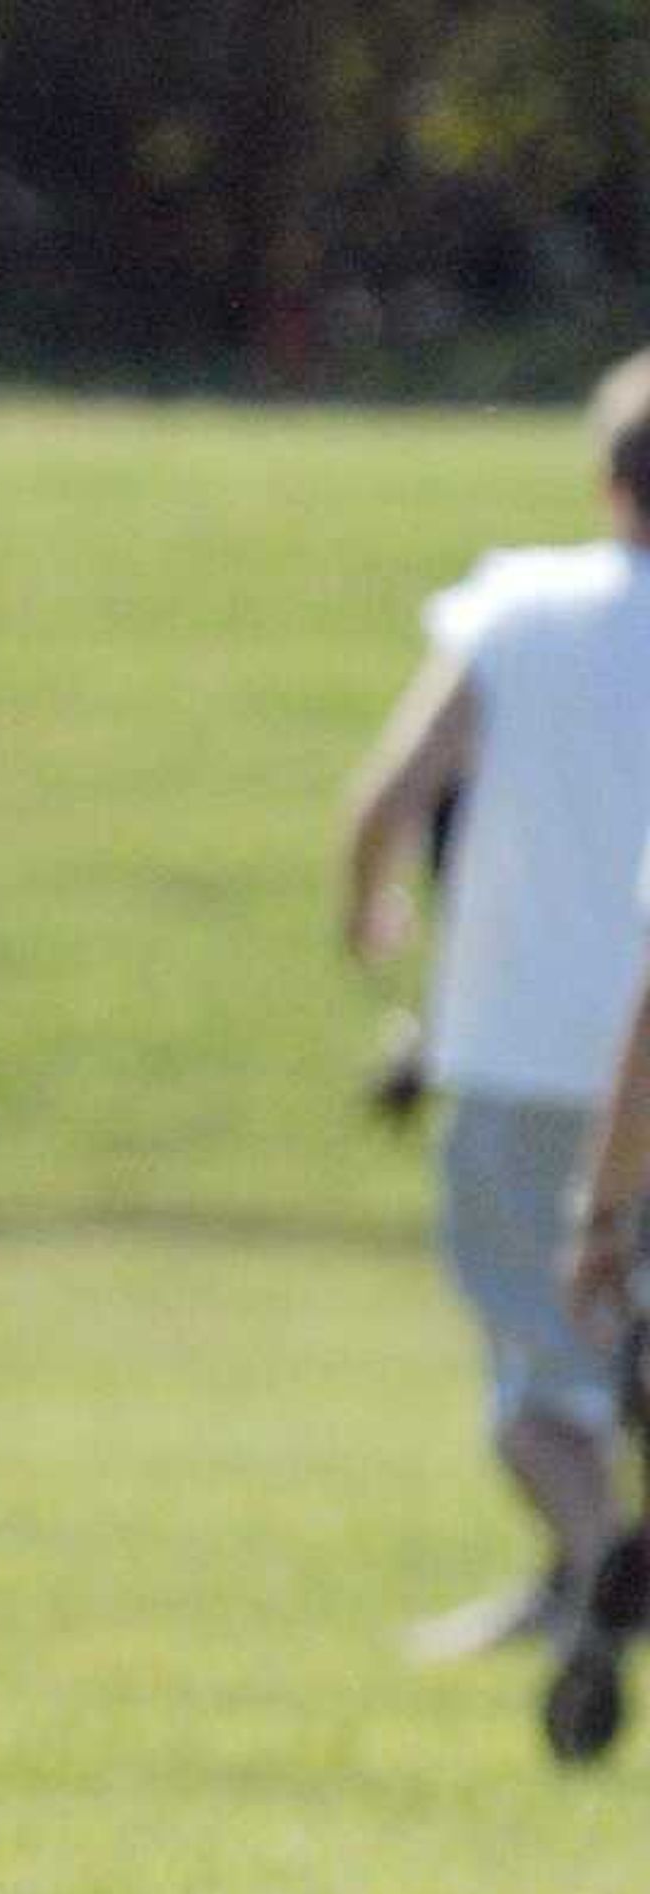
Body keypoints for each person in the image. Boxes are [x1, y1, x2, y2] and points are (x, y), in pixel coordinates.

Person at [339, 349, 650, 1684]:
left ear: (605, 479)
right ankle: (578, 1580)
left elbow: (386, 798)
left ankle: (590, 1561)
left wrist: (372, 920)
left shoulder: (518, 610)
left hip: (521, 1050)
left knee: (534, 1376)